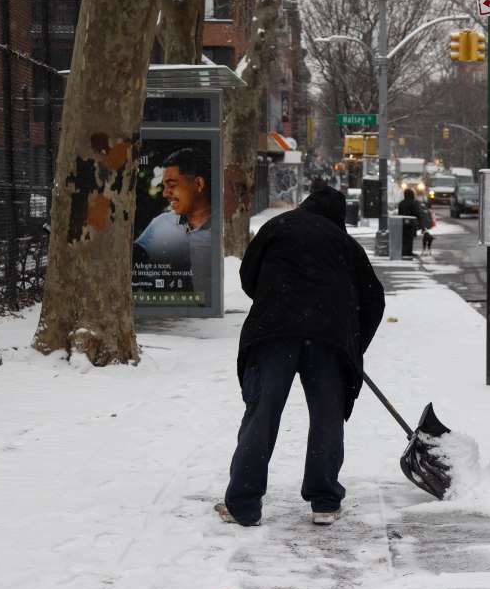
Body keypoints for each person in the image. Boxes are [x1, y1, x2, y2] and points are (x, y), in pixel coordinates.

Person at [216, 186, 385, 527]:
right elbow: (374, 300)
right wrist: (353, 345)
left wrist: (274, 299)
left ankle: (244, 504)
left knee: (262, 413)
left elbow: (249, 275)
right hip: (328, 340)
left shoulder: (279, 225)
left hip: (273, 332)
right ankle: (324, 500)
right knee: (327, 416)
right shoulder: (346, 245)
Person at [134, 147, 213, 297]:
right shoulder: (160, 224)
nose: (165, 193)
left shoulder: (222, 229)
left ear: (198, 184)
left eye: (172, 185)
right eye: (165, 187)